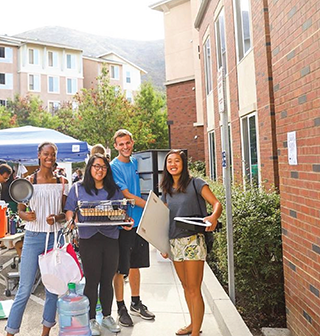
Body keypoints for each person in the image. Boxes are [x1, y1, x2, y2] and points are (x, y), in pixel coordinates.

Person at [65, 153, 132, 335]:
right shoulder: (78, 189)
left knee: (107, 279)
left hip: (110, 238)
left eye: (103, 166)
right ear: (90, 168)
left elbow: (122, 212)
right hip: (88, 238)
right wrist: (71, 220)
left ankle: (108, 316)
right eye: (96, 166)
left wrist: (126, 221)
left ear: (107, 170)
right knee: (92, 280)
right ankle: (92, 319)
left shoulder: (114, 190)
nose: (99, 170)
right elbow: (70, 210)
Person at [5, 142, 68, 336]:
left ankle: (45, 333)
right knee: (24, 289)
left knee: (52, 289)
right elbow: (20, 211)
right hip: (32, 237)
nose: (50, 158)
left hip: (55, 239)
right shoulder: (28, 181)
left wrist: (57, 218)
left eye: (53, 155)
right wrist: (26, 216)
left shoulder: (62, 182)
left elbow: (66, 213)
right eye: (46, 154)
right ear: (39, 155)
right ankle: (10, 332)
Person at [160, 150, 222, 336]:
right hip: (174, 242)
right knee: (186, 286)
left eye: (176, 161)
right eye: (169, 161)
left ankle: (195, 332)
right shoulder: (166, 189)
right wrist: (163, 245)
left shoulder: (196, 183)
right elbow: (163, 219)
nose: (173, 164)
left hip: (193, 241)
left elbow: (216, 203)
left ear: (183, 164)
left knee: (194, 288)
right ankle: (192, 324)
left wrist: (213, 217)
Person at [110, 129, 155, 327]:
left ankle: (136, 302)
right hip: (124, 224)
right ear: (116, 146)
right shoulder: (114, 166)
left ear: (132, 142)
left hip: (141, 223)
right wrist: (154, 206)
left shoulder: (138, 163)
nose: (125, 147)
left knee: (136, 265)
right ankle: (121, 307)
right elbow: (127, 195)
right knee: (121, 269)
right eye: (121, 144)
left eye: (127, 142)